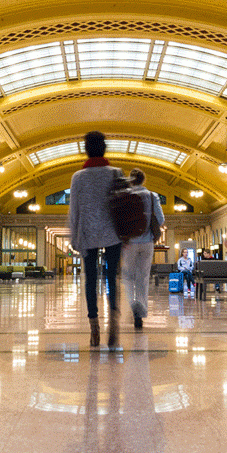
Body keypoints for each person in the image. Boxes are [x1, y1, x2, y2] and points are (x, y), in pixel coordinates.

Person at [66, 131, 125, 348]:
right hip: (113, 233)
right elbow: (124, 205)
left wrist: (74, 236)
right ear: (104, 148)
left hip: (88, 234)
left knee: (91, 280)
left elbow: (74, 210)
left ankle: (94, 329)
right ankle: (114, 323)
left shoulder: (78, 177)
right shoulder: (116, 173)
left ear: (86, 149)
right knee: (112, 278)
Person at [117, 168, 163, 329]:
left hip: (129, 243)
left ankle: (133, 305)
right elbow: (161, 219)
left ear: (131, 180)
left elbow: (120, 219)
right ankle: (141, 310)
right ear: (143, 180)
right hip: (147, 242)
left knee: (128, 276)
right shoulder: (152, 196)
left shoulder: (126, 196)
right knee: (143, 277)